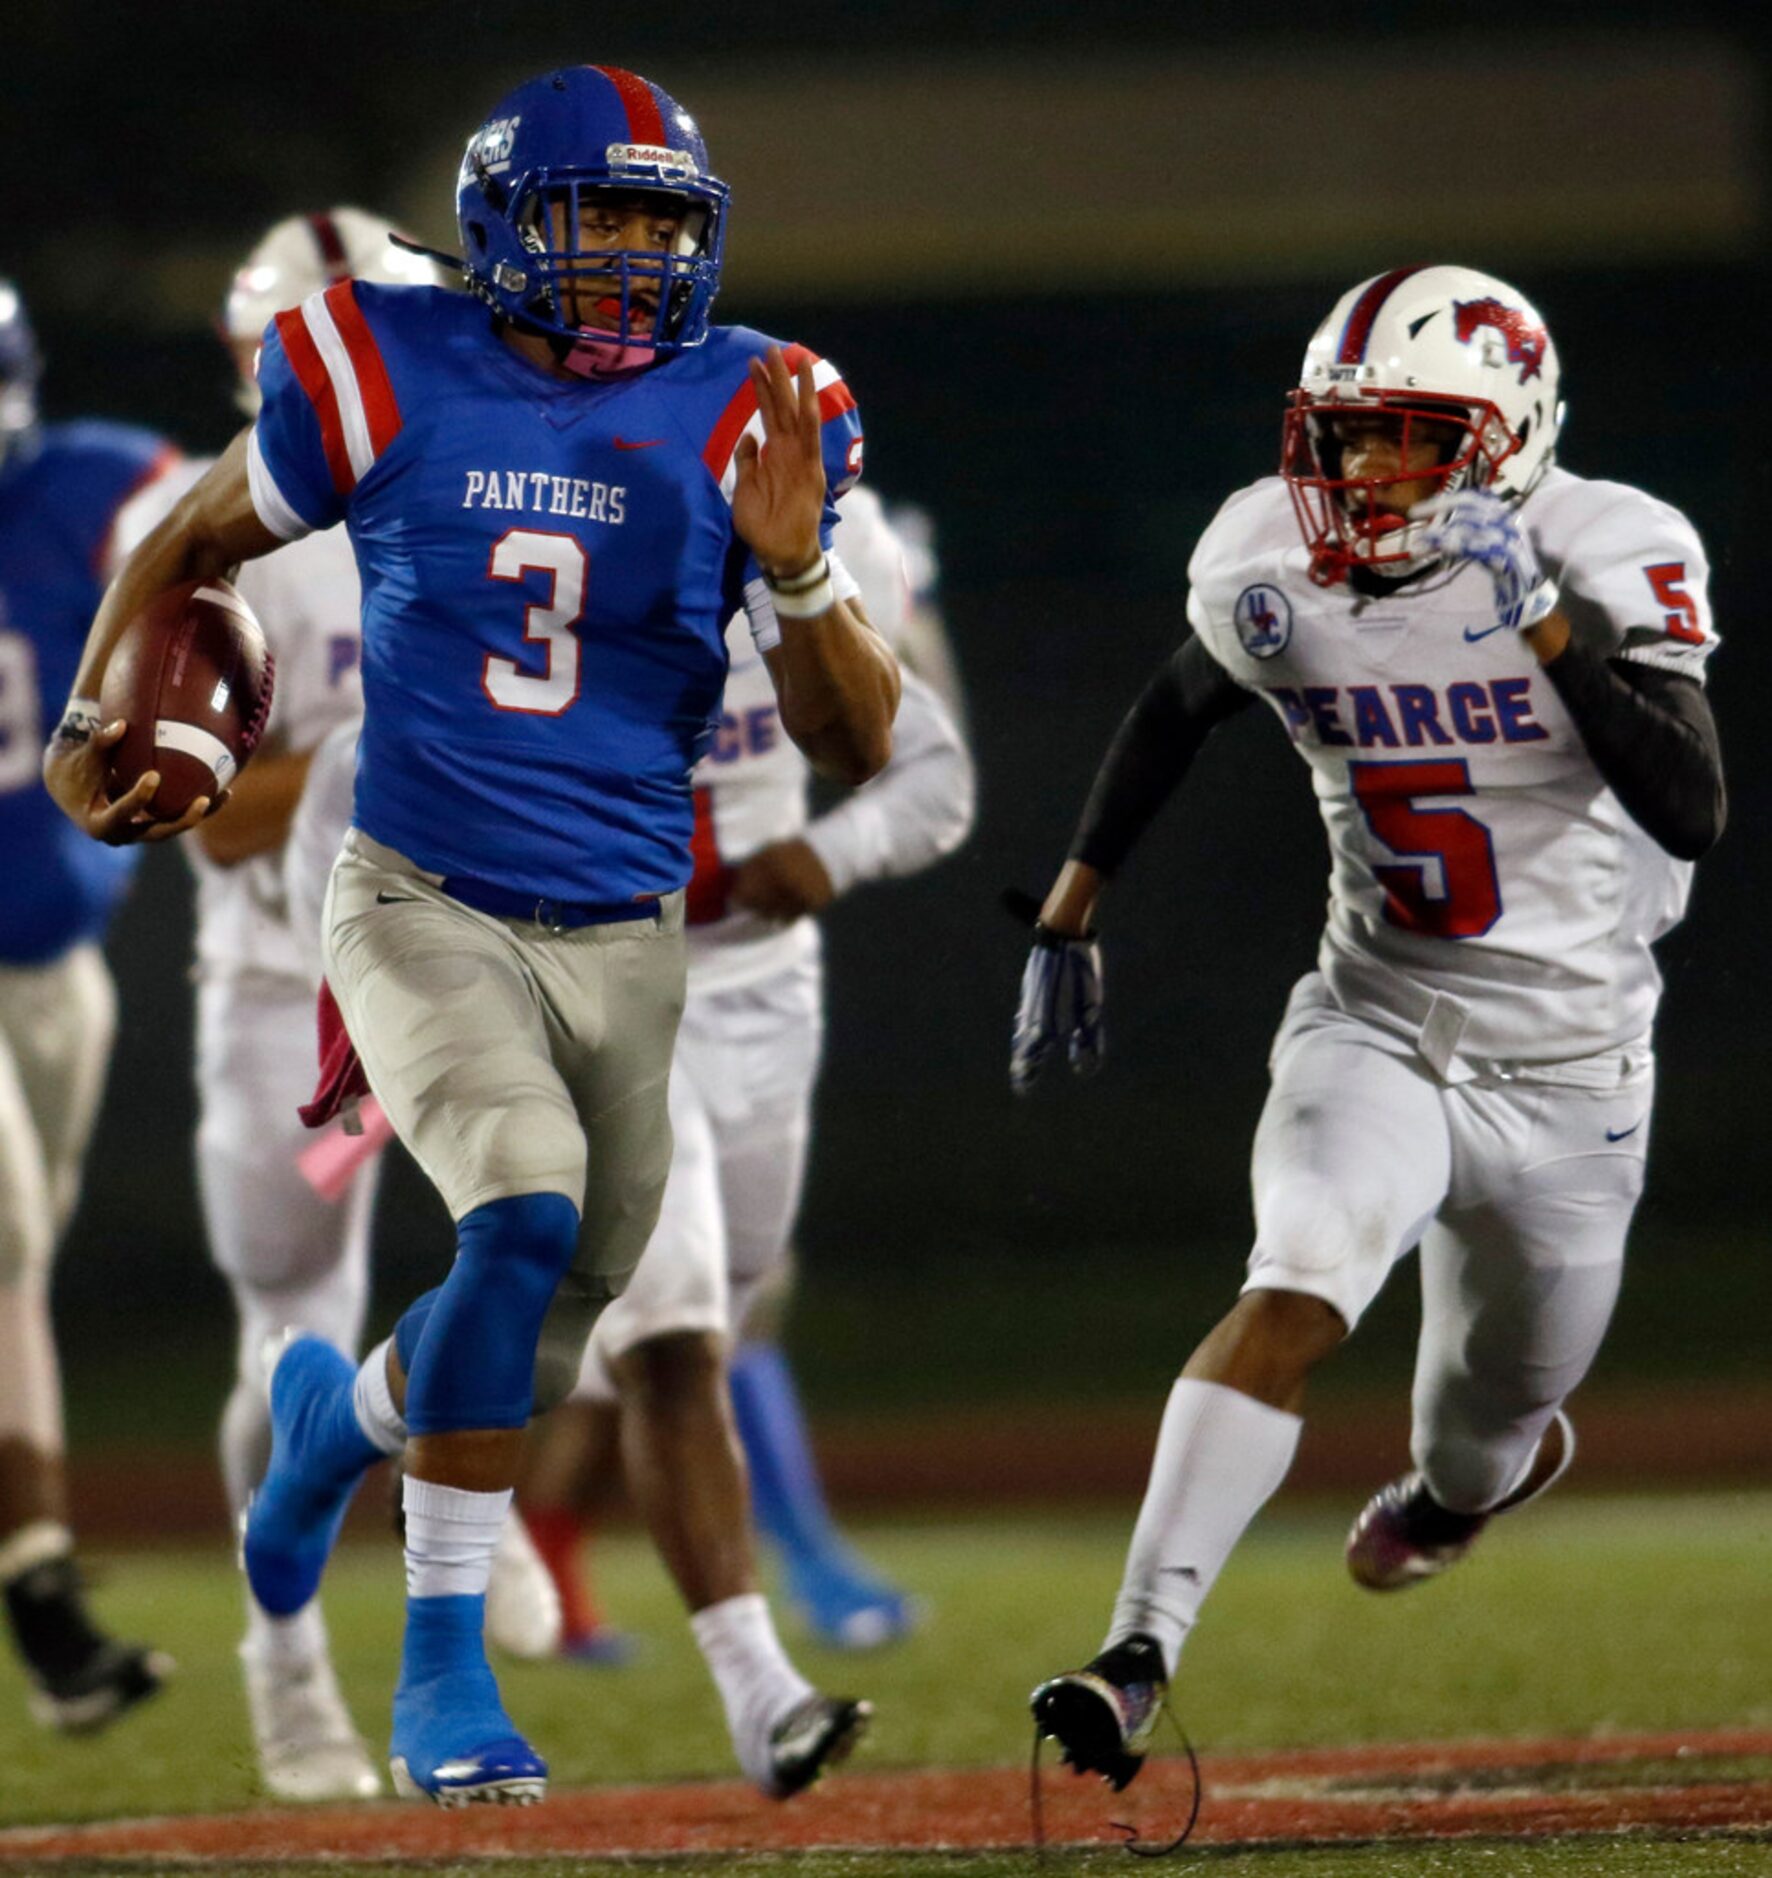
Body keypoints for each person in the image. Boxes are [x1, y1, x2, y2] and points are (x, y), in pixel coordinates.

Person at [44, 64, 898, 1808]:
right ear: (507, 224)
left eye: (666, 225)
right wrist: (87, 714)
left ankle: (327, 1430)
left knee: (557, 1312)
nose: (633, 263)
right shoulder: (382, 366)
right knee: (520, 1215)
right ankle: (440, 1680)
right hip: (417, 893)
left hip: (627, 924)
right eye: (601, 220)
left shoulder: (759, 404)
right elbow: (201, 539)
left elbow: (857, 745)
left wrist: (801, 578)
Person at [1015, 265, 1725, 1790]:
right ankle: (1134, 1655)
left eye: (1407, 437)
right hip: (1378, 1019)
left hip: (1575, 1068)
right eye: (1342, 438)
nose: (1362, 475)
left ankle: (1469, 1488)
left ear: (1510, 434)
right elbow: (1175, 703)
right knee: (1299, 1272)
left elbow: (1691, 802)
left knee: (1483, 1430)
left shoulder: (1609, 547)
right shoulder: (1268, 558)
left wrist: (1540, 627)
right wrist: (1072, 905)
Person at [109, 207, 559, 1804]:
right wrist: (408, 733)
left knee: (557, 1248)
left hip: (460, 948)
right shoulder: (204, 522)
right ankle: (283, 1654)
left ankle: (456, 1525)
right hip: (276, 994)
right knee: (284, 1324)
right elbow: (207, 804)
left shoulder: (494, 474)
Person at [517, 483, 973, 1663]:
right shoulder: (552, 582)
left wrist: (828, 850)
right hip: (600, 982)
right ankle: (757, 1632)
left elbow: (933, 773)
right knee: (670, 1328)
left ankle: (518, 1526)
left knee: (714, 1310)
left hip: (759, 990)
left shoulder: (825, 568)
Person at [0, 277, 179, 1730]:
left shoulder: (94, 486)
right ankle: (44, 1594)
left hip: (57, 950)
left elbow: (251, 520)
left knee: (14, 1268)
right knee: (0, 1238)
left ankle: (41, 1610)